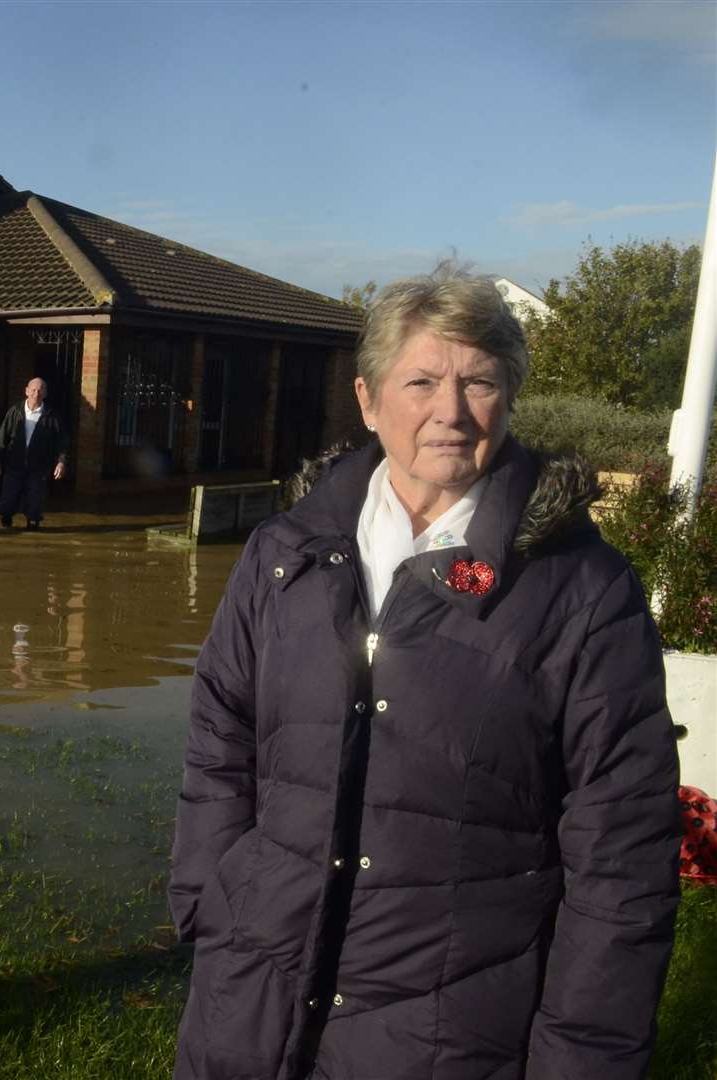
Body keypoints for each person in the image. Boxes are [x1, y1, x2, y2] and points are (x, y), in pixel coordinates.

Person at [167, 262, 681, 1080]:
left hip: (449, 1032)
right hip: (249, 999)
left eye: (477, 381)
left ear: (508, 398)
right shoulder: (282, 554)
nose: (448, 411)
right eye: (420, 380)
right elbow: (218, 742)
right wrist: (210, 897)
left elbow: (622, 854)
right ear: (368, 401)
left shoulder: (584, 592)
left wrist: (580, 1057)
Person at [0, 377, 68, 529]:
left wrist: (61, 461)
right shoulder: (15, 411)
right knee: (8, 501)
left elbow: (62, 442)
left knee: (34, 503)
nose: (36, 393)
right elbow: (2, 436)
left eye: (40, 390)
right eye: (33, 390)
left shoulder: (52, 416)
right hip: (14, 463)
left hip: (38, 467)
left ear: (45, 393)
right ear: (26, 391)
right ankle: (6, 525)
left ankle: (33, 531)